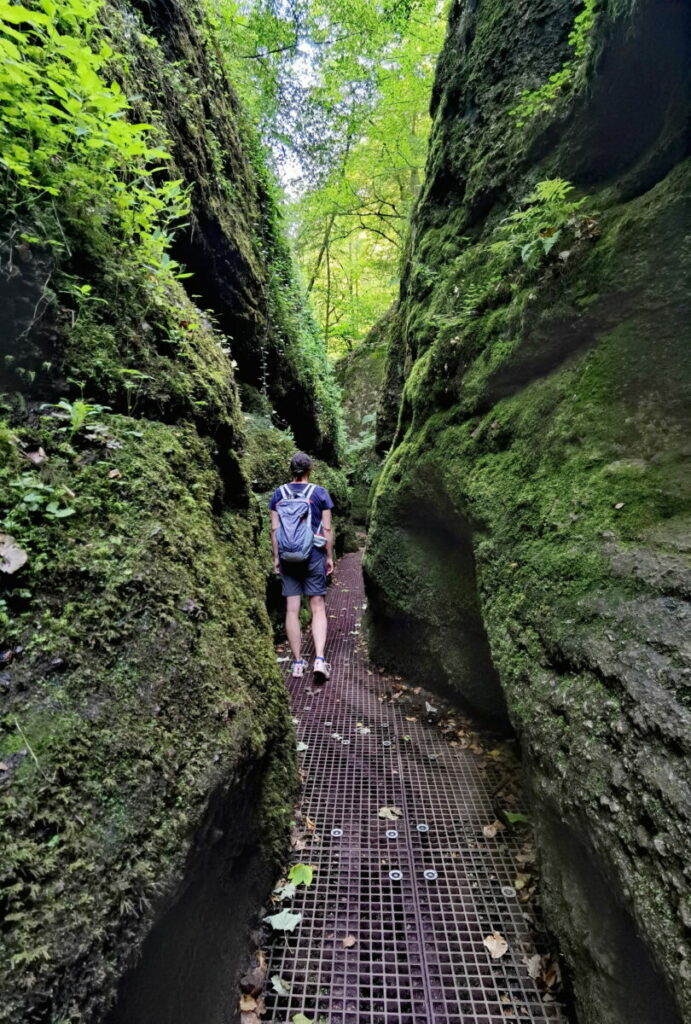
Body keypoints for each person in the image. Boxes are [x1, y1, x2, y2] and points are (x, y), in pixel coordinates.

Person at [269, 452, 334, 683]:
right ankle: (319, 659)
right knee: (317, 607)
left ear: (291, 470)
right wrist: (329, 556)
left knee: (292, 609)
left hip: (288, 557)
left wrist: (277, 557)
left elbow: (275, 530)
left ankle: (297, 663)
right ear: (310, 469)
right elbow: (326, 529)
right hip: (314, 554)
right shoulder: (319, 493)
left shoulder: (279, 494)